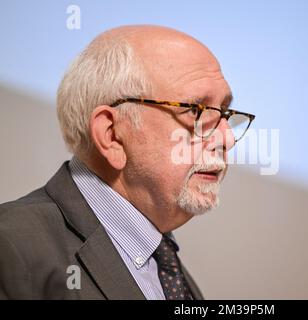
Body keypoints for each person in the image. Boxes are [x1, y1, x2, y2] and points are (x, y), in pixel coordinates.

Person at [0, 25, 255, 299]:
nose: (226, 138)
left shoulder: (164, 265)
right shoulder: (12, 246)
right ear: (112, 135)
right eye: (196, 110)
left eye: (225, 113)